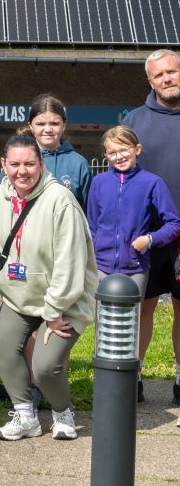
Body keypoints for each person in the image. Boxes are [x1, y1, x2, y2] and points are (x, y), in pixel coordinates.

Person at [0, 134, 97, 442]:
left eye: (29, 163)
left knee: (46, 366)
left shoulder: (60, 200)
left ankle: (63, 415)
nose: (22, 171)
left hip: (64, 301)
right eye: (15, 164)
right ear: (3, 165)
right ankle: (26, 417)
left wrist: (54, 312)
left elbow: (70, 262)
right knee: (4, 349)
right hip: (20, 295)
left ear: (41, 163)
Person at [87, 125, 180, 401]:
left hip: (135, 267)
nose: (119, 156)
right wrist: (92, 253)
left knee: (131, 326)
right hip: (102, 266)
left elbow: (174, 223)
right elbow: (91, 224)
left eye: (124, 149)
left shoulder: (152, 182)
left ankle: (132, 378)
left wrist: (150, 240)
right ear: (105, 155)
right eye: (112, 152)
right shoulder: (98, 183)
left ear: (137, 150)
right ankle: (106, 383)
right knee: (104, 327)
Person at [123, 48, 180, 406]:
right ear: (150, 81)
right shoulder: (135, 120)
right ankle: (136, 374)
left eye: (172, 72)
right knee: (142, 306)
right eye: (159, 75)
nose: (167, 79)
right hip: (149, 235)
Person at [25, 94, 90, 207]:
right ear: (31, 126)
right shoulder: (17, 160)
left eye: (54, 123)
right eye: (40, 124)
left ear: (64, 125)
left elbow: (86, 211)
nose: (48, 129)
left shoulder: (79, 163)